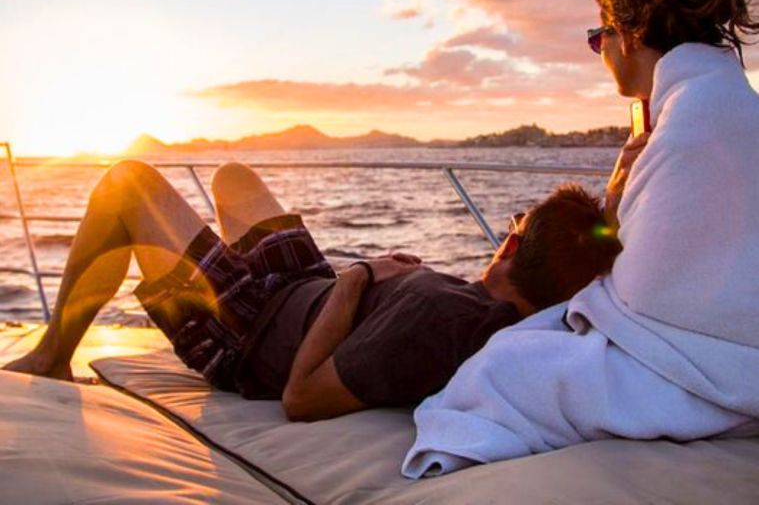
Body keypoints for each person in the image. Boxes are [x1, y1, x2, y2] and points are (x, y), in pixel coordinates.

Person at [401, 0, 759, 479]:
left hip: (717, 367)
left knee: (501, 368)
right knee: (526, 342)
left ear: (628, 35)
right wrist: (616, 206)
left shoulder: (688, 120)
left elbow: (650, 299)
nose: (600, 52)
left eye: (599, 39)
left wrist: (586, 295)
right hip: (732, 344)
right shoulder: (723, 101)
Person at [3, 158, 620, 421]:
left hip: (253, 328)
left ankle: (55, 355)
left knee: (125, 184)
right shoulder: (505, 316)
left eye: (512, 226)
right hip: (306, 287)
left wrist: (361, 277)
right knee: (232, 176)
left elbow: (301, 396)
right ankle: (218, 255)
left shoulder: (437, 319)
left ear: (510, 246)